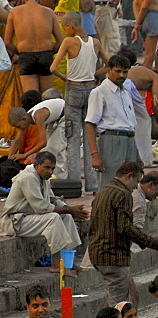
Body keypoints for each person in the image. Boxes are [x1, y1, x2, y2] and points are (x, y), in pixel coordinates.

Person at [89, 161, 158, 305]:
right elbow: (126, 228)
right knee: (120, 304)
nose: (136, 186)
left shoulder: (104, 190)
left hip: (98, 253)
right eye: (137, 181)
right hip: (113, 256)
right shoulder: (123, 194)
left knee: (117, 298)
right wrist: (151, 242)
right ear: (129, 177)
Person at [0, 151, 86, 275]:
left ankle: (69, 261)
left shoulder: (44, 178)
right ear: (37, 165)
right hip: (14, 222)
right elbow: (41, 207)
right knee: (53, 218)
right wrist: (69, 209)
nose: (50, 172)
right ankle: (56, 265)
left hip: (29, 218)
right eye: (47, 167)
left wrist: (70, 209)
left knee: (66, 217)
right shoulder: (28, 177)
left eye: (52, 168)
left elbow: (53, 199)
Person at [49, 10, 105, 192]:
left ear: (71, 26)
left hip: (73, 89)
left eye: (65, 27)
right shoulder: (95, 43)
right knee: (90, 137)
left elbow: (53, 67)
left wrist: (66, 78)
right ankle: (92, 184)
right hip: (91, 89)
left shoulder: (68, 41)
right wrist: (95, 75)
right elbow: (110, 63)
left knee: (72, 138)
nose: (65, 31)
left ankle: (74, 185)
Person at [85, 54, 137, 187]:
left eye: (125, 72)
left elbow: (130, 126)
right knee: (111, 184)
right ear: (109, 70)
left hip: (129, 141)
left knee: (130, 184)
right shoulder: (99, 92)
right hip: (111, 141)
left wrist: (138, 155)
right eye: (118, 71)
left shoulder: (125, 92)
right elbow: (90, 124)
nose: (122, 75)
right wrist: (95, 155)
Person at [4, 0, 62, 95]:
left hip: (26, 55)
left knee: (31, 96)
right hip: (46, 54)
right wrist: (51, 51)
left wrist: (18, 52)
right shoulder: (49, 12)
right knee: (47, 96)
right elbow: (60, 41)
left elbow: (7, 42)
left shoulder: (14, 12)